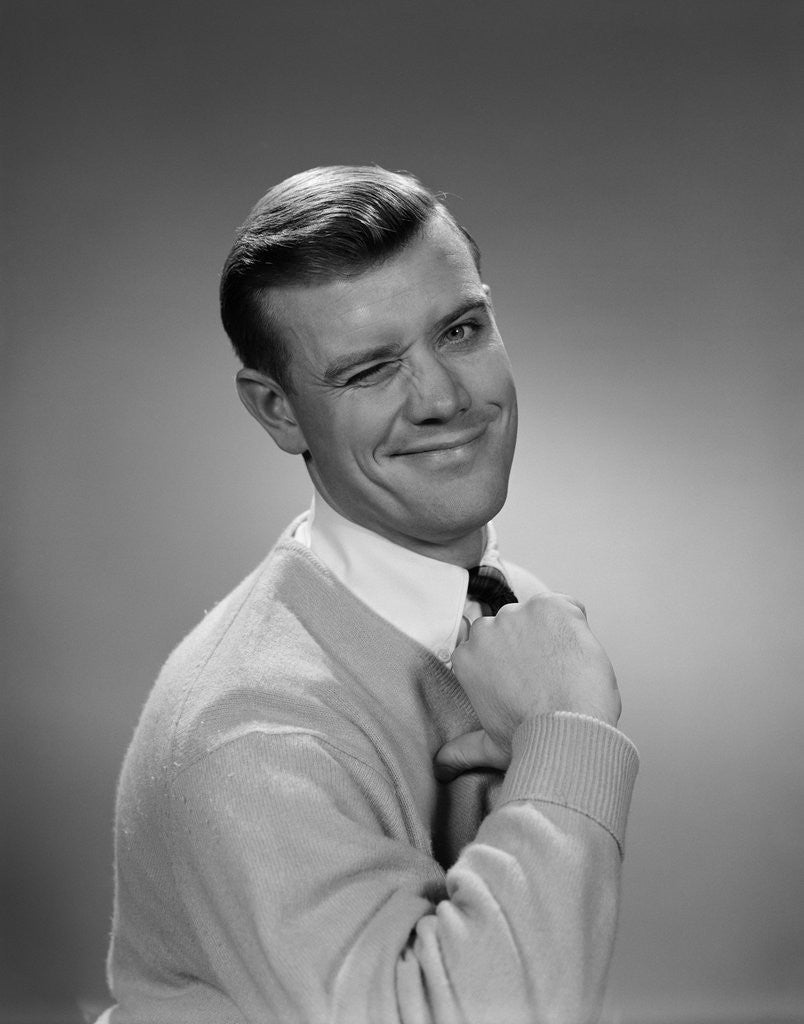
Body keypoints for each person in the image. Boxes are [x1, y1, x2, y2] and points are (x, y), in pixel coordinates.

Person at [98, 165, 639, 1024]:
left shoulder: (509, 616)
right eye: (368, 371)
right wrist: (563, 733)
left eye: (461, 330)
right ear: (277, 412)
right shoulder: (254, 732)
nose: (445, 399)